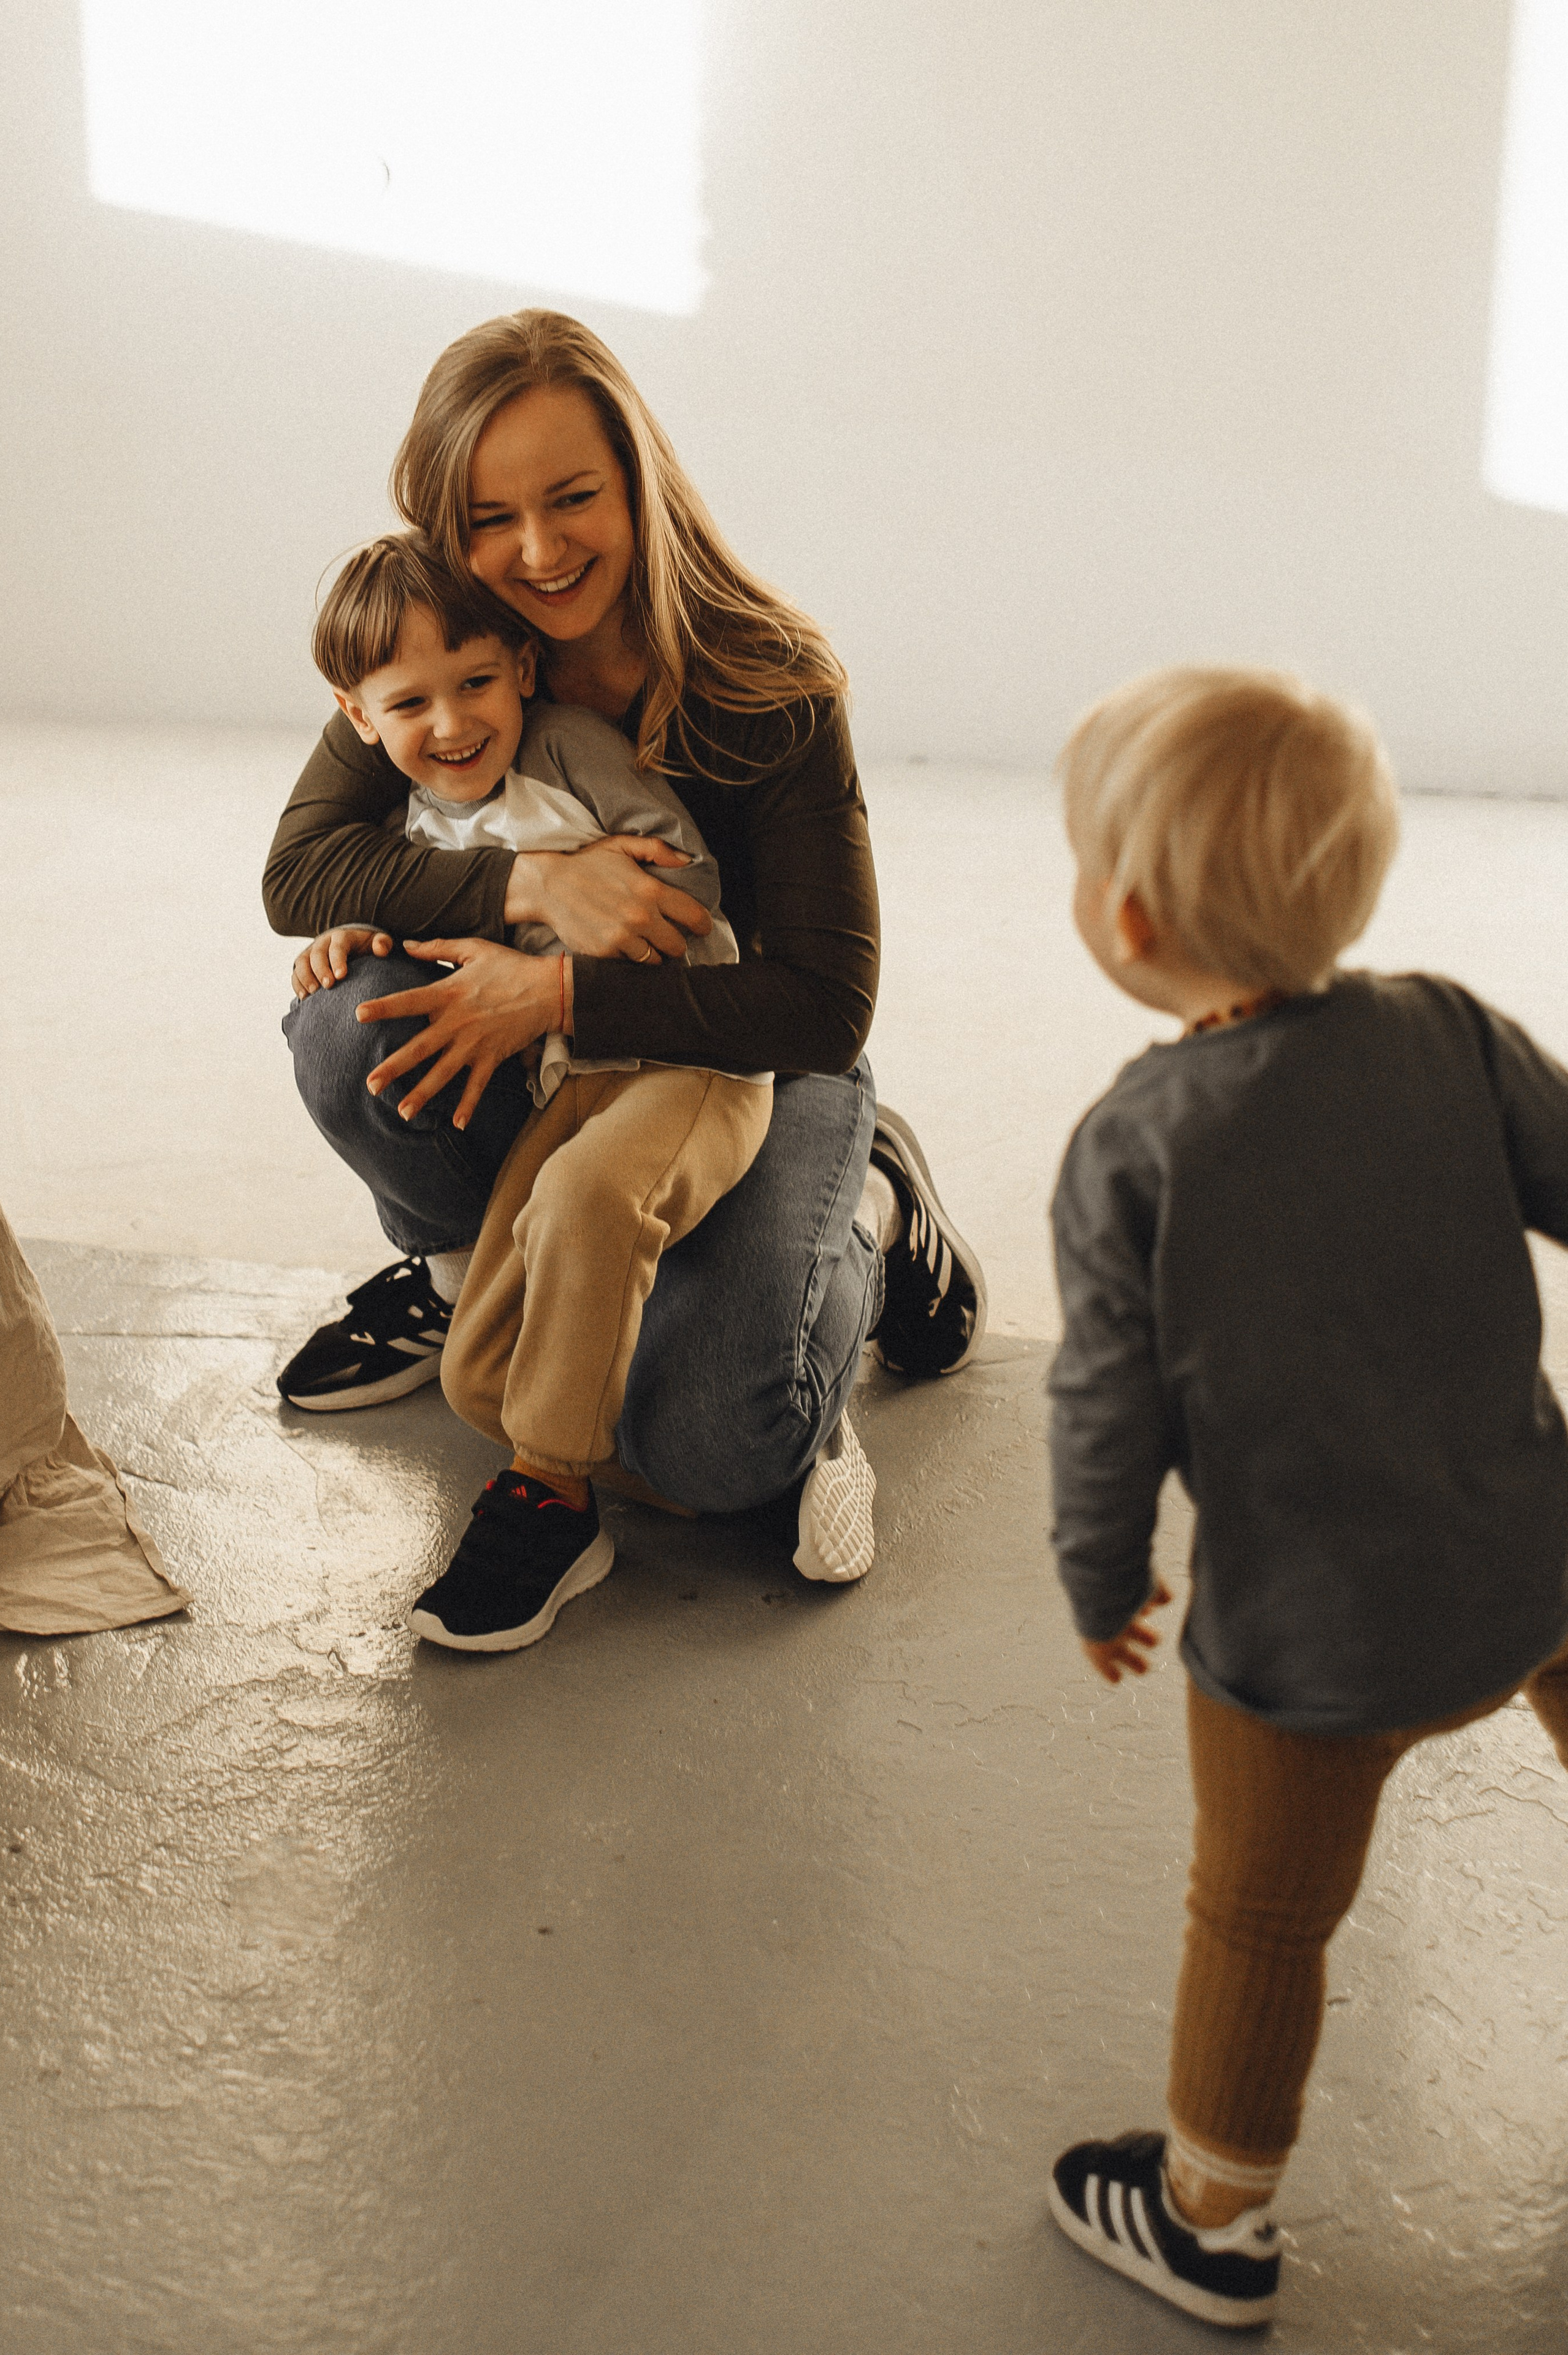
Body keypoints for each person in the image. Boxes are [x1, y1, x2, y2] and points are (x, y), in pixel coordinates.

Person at [264, 308, 986, 1614]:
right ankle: (452, 1273)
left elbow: (820, 1005)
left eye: (573, 498)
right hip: (562, 1065)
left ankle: (869, 1212)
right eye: (489, 518)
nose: (535, 551)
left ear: (635, 482)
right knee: (343, 1024)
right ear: (446, 524)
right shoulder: (446, 639)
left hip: (747, 1052)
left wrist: (558, 987)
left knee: (716, 1445)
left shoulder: (768, 681)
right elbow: (301, 872)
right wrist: (529, 884)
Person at [1041, 665, 1568, 2330]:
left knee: (1262, 1923)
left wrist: (1099, 1570)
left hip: (1308, 1643)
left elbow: (1106, 1402)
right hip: (1540, 1554)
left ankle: (1209, 2221)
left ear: (1122, 915)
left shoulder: (1137, 1148)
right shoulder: (1450, 1030)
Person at [293, 529, 774, 1648]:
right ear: (359, 718)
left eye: (474, 685)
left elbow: (689, 886)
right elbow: (433, 903)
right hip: (575, 1081)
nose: (453, 725)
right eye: (412, 705)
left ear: (519, 667)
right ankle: (719, 1474)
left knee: (587, 1203)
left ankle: (551, 1498)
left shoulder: (565, 752)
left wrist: (565, 932)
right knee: (478, 1379)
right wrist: (371, 933)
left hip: (688, 1056)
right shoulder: (420, 815)